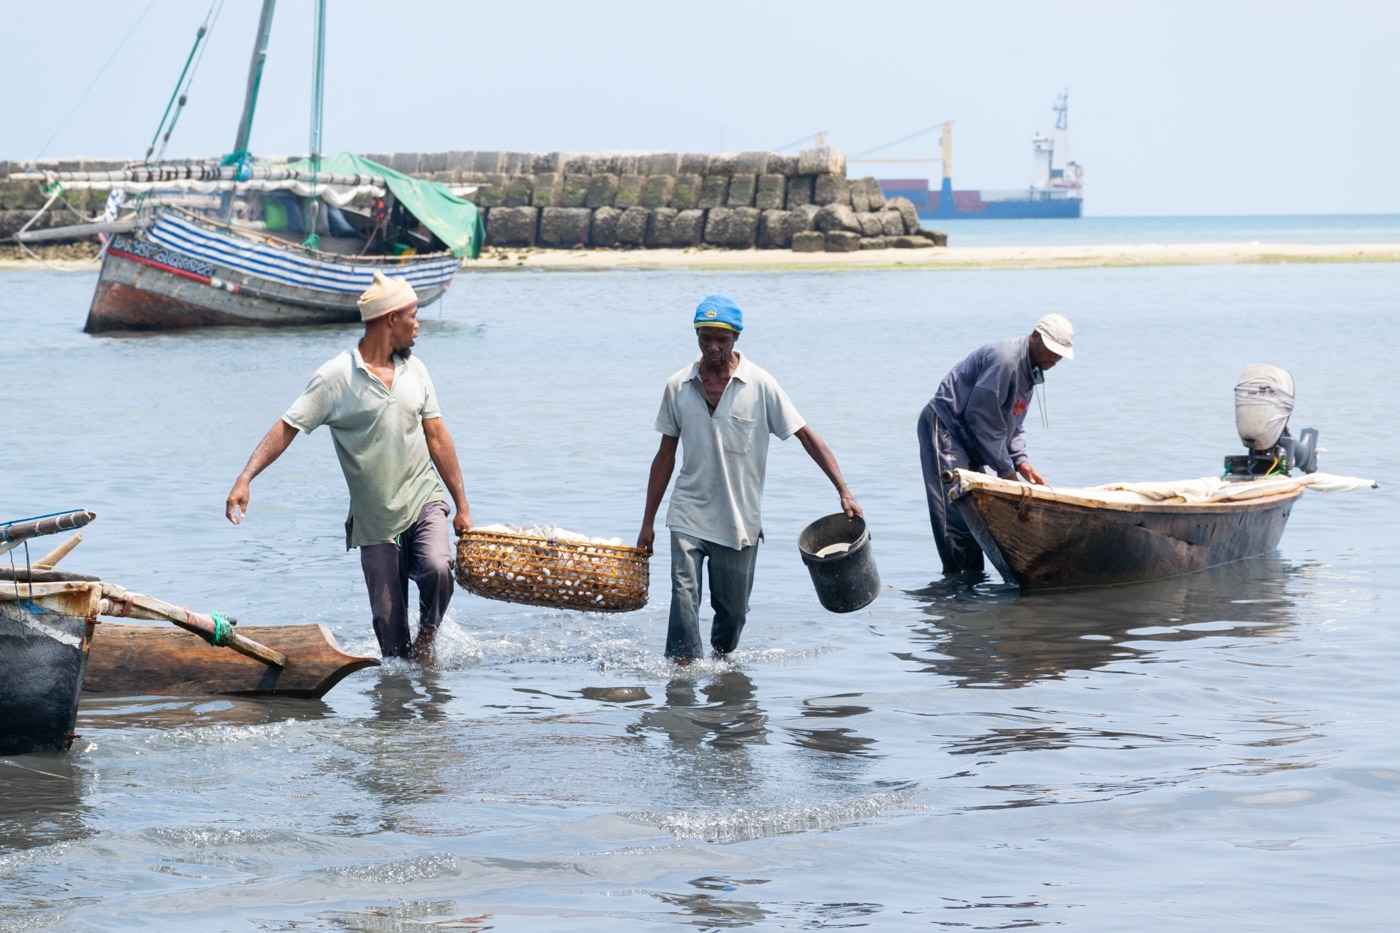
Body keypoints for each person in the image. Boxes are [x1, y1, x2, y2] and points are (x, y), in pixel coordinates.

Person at [225, 271, 472, 664]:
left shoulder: (417, 371)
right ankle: (397, 712)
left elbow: (438, 437)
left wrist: (462, 507)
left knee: (440, 568)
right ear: (391, 319)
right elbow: (287, 427)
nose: (418, 324)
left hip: (424, 498)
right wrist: (245, 477)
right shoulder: (336, 377)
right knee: (392, 645)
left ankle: (429, 638)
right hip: (374, 520)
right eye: (412, 315)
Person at [637, 294, 863, 663]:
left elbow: (807, 436)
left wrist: (843, 490)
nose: (712, 347)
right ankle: (681, 680)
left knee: (733, 614)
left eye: (721, 340)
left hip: (739, 520)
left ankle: (720, 661)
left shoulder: (760, 385)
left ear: (736, 338)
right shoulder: (678, 386)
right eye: (705, 338)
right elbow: (665, 456)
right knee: (683, 597)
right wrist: (647, 523)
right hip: (687, 513)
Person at [917, 313, 1074, 575]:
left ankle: (973, 579)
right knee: (955, 508)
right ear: (1034, 337)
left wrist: (1021, 462)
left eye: (1060, 354)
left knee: (976, 507)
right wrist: (1008, 473)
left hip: (971, 436)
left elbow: (1013, 422)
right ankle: (958, 584)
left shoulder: (1030, 370)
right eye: (1052, 350)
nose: (1055, 358)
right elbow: (984, 421)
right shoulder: (1005, 361)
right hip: (947, 426)